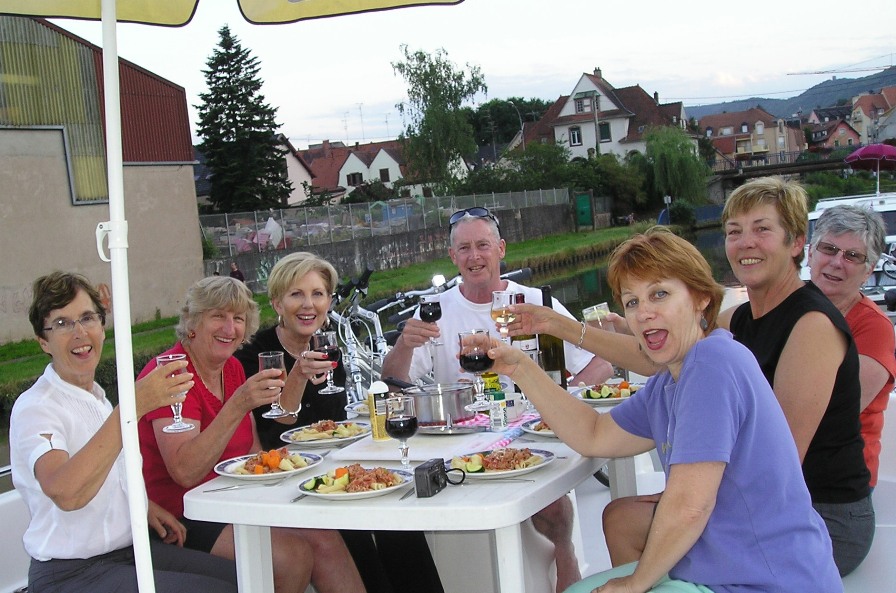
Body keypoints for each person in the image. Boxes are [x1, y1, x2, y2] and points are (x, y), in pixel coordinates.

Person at [535, 177, 872, 576]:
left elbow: (782, 457)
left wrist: (684, 491)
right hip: (743, 499)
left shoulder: (810, 324)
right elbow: (659, 361)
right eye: (734, 231)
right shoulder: (738, 320)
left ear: (797, 243)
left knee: (645, 523)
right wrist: (564, 330)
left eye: (762, 229)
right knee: (623, 518)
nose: (746, 242)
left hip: (813, 510)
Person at [490, 227, 841, 593]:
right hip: (721, 571)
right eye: (632, 302)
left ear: (701, 298)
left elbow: (690, 506)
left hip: (769, 582)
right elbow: (593, 434)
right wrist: (519, 367)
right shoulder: (670, 382)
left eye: (659, 294)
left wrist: (634, 584)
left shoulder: (712, 363)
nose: (644, 314)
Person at [381, 206, 615, 593]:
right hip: (461, 442)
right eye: (465, 248)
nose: (475, 257)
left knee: (555, 508)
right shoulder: (437, 311)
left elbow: (600, 363)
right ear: (453, 257)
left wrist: (559, 406)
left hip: (532, 433)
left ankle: (566, 560)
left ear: (501, 249)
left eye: (483, 246)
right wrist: (404, 344)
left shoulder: (535, 301)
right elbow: (394, 380)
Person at [11, 271, 238, 593]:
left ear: (102, 328)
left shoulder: (98, 398)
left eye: (87, 318)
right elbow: (66, 492)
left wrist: (144, 505)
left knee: (241, 577)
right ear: (43, 341)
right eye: (62, 323)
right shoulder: (36, 407)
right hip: (70, 573)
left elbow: (106, 473)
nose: (79, 333)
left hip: (126, 551)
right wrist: (132, 406)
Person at [137, 276, 365, 593]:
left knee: (325, 537)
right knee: (291, 557)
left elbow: (253, 451)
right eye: (218, 316)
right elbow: (185, 471)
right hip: (184, 512)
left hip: (233, 498)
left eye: (239, 319)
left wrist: (295, 469)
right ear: (192, 322)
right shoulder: (172, 375)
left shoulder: (231, 369)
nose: (229, 329)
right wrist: (239, 403)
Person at [235, 251, 444, 593]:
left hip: (332, 468)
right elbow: (273, 435)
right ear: (277, 303)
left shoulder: (329, 349)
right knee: (355, 533)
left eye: (318, 294)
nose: (308, 305)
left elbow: (331, 425)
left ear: (329, 301)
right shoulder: (255, 357)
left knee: (398, 520)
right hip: (285, 482)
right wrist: (298, 376)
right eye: (296, 294)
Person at [808, 204, 896, 489]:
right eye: (829, 249)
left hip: (839, 487)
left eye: (853, 256)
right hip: (790, 474)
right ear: (810, 252)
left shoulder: (874, 327)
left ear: (869, 270)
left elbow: (837, 411)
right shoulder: (786, 310)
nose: (837, 262)